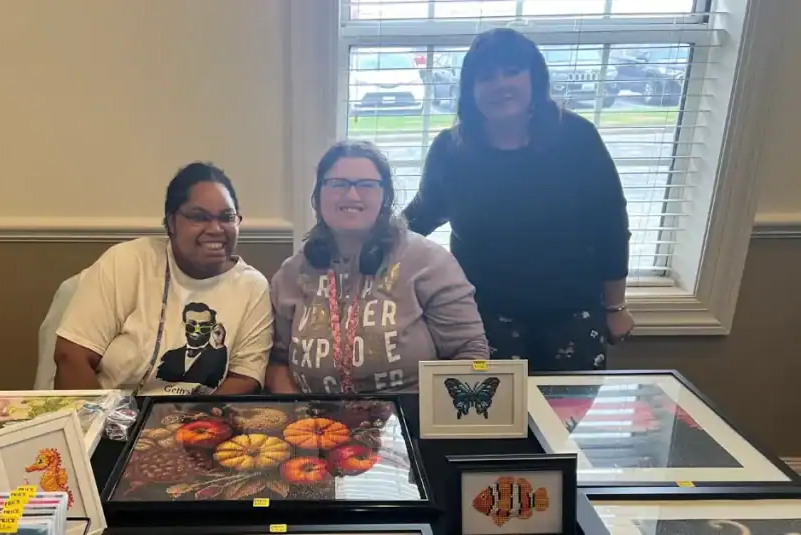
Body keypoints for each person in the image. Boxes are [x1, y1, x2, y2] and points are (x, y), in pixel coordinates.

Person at [403, 28, 634, 372]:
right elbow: (420, 217)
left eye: (512, 71)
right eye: (486, 77)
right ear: (471, 90)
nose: (500, 85)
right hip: (480, 319)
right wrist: (355, 245)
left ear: (534, 78)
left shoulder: (577, 139)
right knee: (483, 423)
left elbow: (611, 228)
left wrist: (615, 307)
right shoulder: (451, 150)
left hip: (571, 314)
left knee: (560, 422)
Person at [266, 141, 489, 394]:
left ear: (386, 197)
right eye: (338, 184)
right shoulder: (292, 273)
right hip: (316, 427)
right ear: (318, 196)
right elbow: (278, 362)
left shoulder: (428, 262)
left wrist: (433, 420)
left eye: (366, 185)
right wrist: (299, 413)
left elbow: (470, 352)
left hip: (411, 425)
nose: (352, 196)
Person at [53, 162, 272, 394]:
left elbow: (245, 377)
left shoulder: (252, 287)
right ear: (171, 222)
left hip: (199, 422)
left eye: (227, 217)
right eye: (199, 217)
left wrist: (196, 425)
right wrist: (106, 426)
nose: (216, 229)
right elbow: (72, 356)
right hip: (107, 414)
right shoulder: (128, 262)